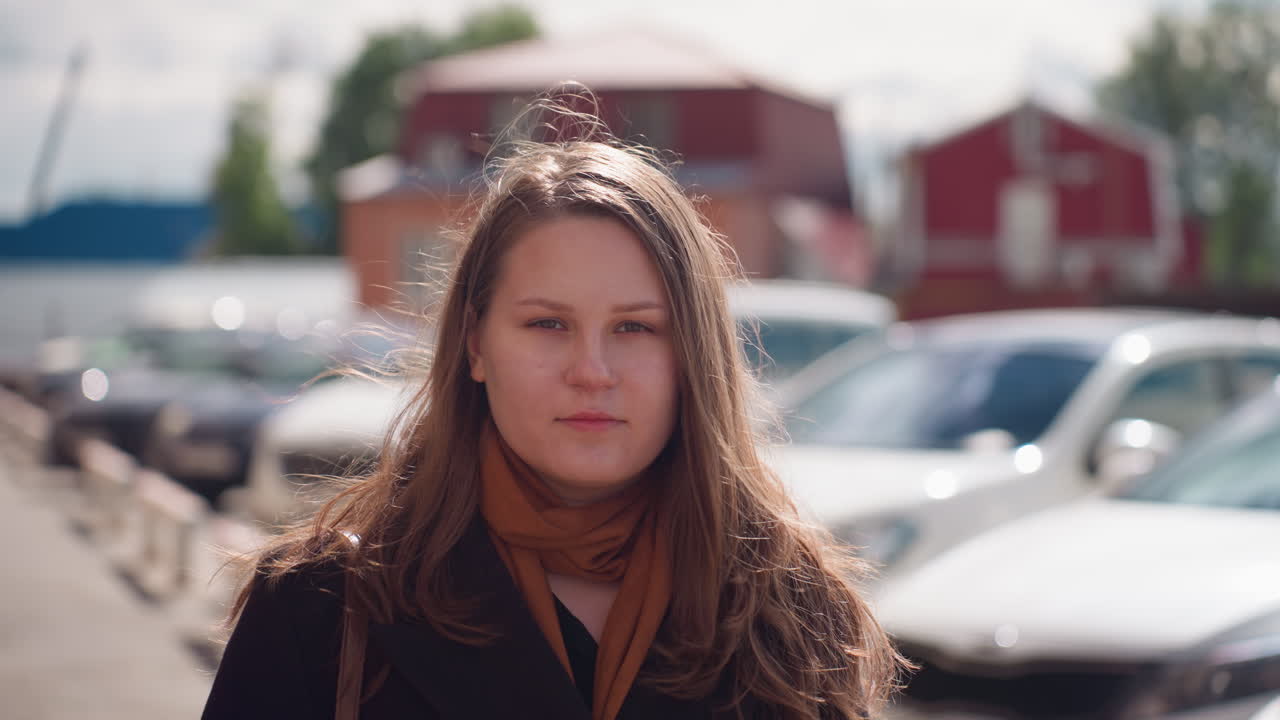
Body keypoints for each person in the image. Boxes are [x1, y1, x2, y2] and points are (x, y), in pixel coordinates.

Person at [201, 97, 905, 720]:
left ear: (694, 352)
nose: (591, 372)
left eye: (635, 327)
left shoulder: (789, 614)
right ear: (476, 344)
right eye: (547, 324)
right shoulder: (323, 608)